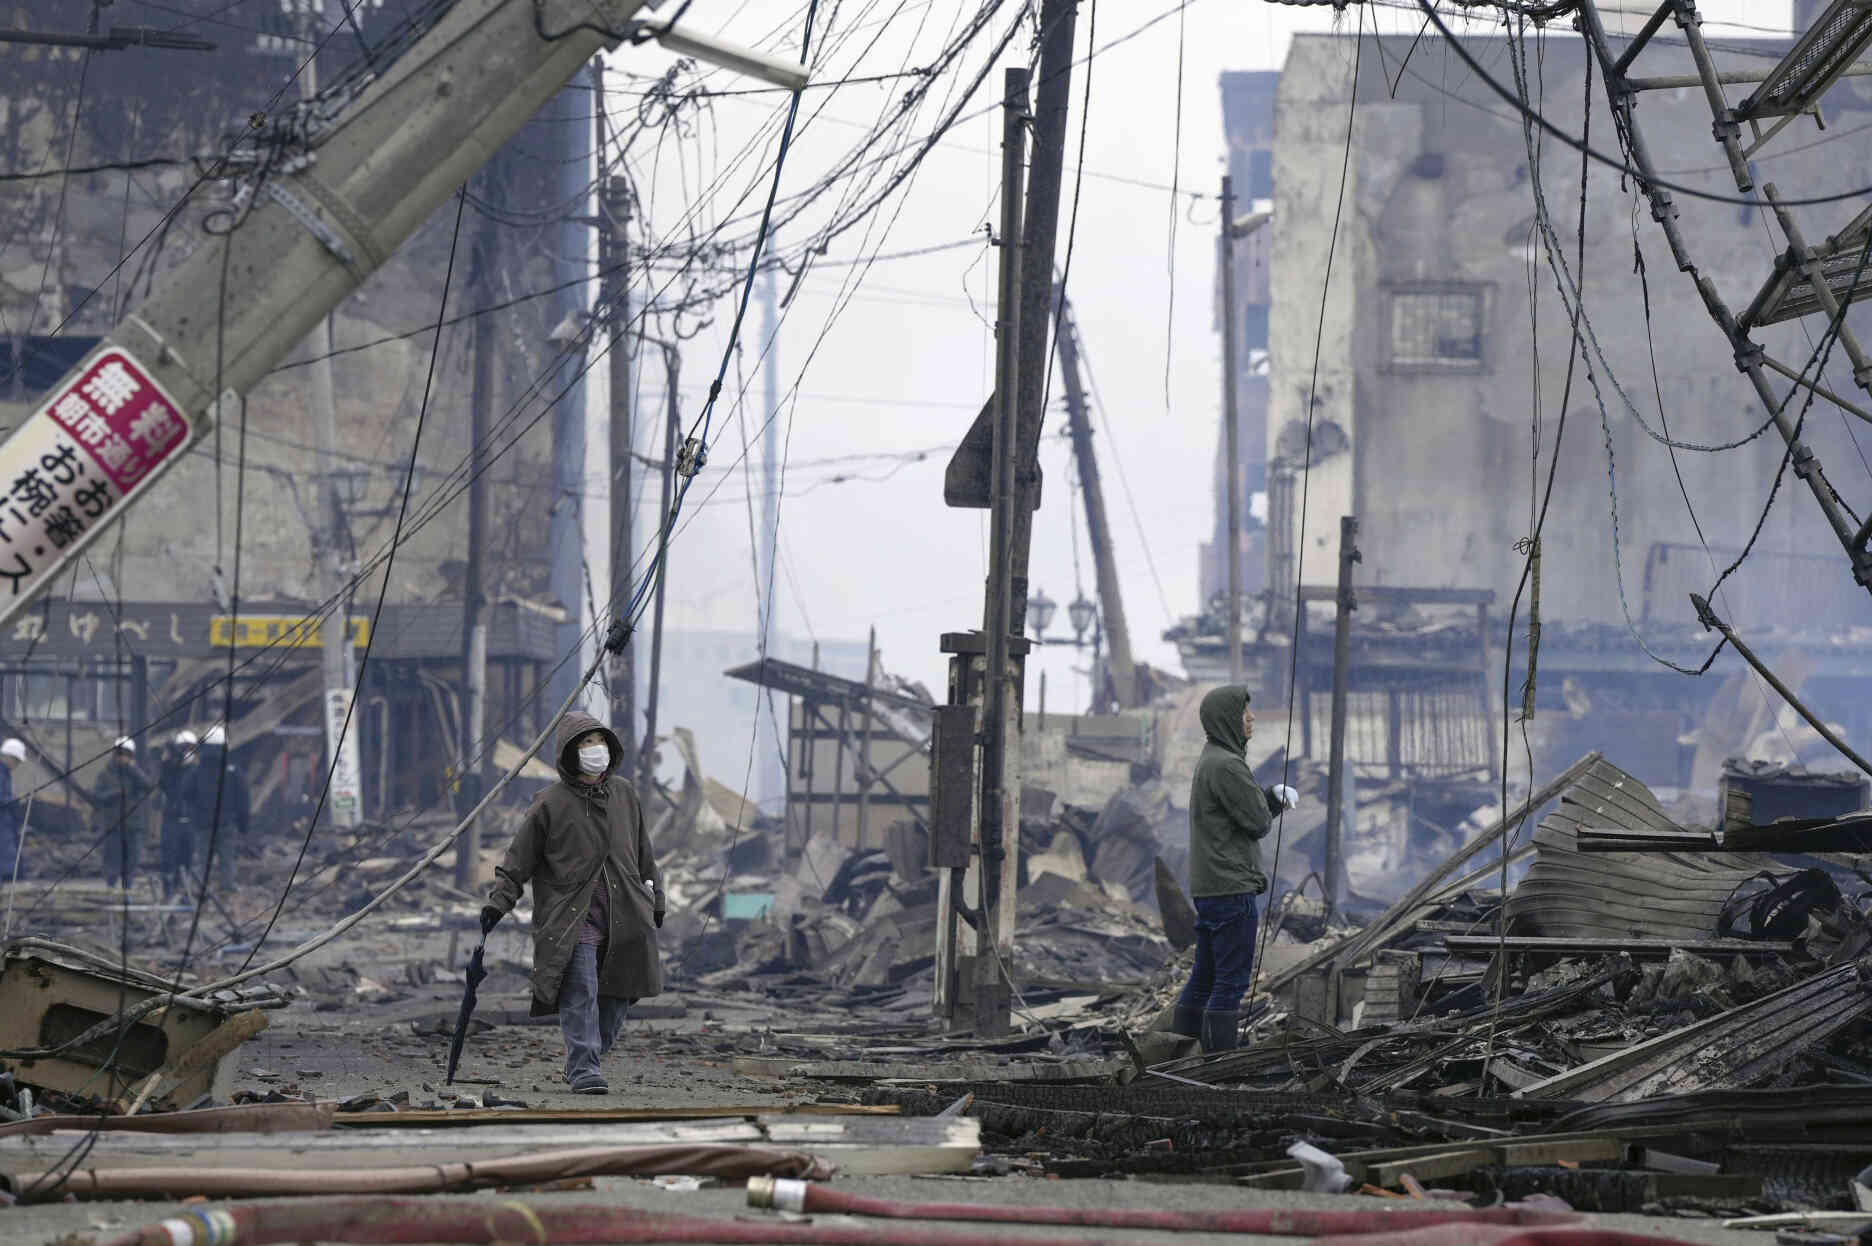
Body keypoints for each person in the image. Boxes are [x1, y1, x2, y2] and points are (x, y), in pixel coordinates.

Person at [480, 712, 664, 1095]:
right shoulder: (549, 803)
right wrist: (499, 902)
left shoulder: (624, 795)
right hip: (572, 919)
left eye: (599, 740)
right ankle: (584, 1068)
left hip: (625, 916)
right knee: (581, 992)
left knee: (617, 1000)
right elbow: (518, 860)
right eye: (585, 743)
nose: (594, 749)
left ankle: (583, 1059)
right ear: (569, 752)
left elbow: (643, 853)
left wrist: (656, 898)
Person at [1170, 686, 1299, 1054]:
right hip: (1231, 887)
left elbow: (1239, 813)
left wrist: (1269, 798)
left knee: (1204, 978)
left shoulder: (1211, 759)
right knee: (1231, 982)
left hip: (1210, 887)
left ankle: (1176, 1058)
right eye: (1245, 713)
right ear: (1228, 719)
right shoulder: (1227, 764)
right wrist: (1272, 801)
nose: (1251, 717)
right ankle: (1218, 1068)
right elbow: (1256, 822)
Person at [191, 724, 249, 888]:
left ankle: (198, 888)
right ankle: (227, 887)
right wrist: (243, 824)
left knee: (202, 860)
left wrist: (194, 815)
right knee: (227, 859)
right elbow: (243, 798)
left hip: (203, 824)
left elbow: (186, 793)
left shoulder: (197, 771)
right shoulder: (233, 770)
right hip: (226, 823)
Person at [93, 737, 153, 892]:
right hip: (113, 824)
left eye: (126, 754)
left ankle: (128, 887)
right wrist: (115, 793)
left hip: (133, 824)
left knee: (131, 858)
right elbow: (97, 796)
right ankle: (111, 885)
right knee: (112, 857)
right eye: (120, 754)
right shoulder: (106, 774)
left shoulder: (135, 774)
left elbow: (148, 786)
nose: (123, 758)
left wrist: (134, 770)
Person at [158, 729, 201, 900]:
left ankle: (183, 891)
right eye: (183, 748)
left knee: (187, 857)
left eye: (189, 748)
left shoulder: (196, 771)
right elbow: (165, 786)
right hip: (172, 819)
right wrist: (167, 764)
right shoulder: (171, 770)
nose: (186, 752)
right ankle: (168, 891)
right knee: (169, 856)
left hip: (190, 820)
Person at [0, 738, 25, 883]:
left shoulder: (5, 773)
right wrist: (13, 801)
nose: (17, 765)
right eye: (16, 761)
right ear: (7, 756)